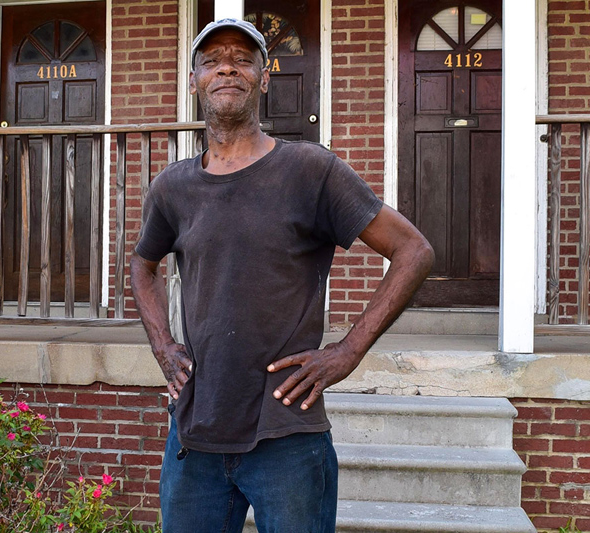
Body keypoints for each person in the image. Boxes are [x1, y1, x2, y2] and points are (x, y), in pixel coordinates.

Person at [130, 18, 434, 533]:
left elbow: (413, 250)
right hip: (195, 433)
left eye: (243, 59)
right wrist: (163, 344)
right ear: (194, 79)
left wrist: (346, 352)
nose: (227, 67)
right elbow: (144, 266)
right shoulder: (172, 187)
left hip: (288, 436)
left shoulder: (310, 171)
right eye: (212, 60)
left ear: (264, 78)